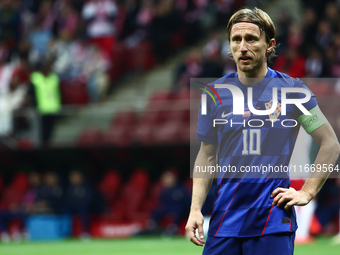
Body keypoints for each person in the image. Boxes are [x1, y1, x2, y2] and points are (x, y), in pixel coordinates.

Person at [185, 7, 340, 255]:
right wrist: (195, 209)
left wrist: (307, 192)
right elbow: (207, 155)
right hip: (224, 222)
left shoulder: (293, 92)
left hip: (272, 222)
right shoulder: (213, 94)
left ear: (270, 45)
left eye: (251, 39)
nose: (243, 47)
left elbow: (330, 144)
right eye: (236, 40)